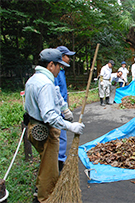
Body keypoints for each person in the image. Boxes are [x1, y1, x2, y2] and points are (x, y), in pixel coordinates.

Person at [24, 48, 85, 202]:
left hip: (33, 126)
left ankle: (38, 191)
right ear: (51, 65)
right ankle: (45, 199)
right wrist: (70, 126)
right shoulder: (45, 84)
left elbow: (56, 95)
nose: (61, 69)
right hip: (45, 130)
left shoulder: (34, 79)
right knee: (50, 170)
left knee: (45, 164)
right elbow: (49, 116)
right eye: (59, 66)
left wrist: (65, 109)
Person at [54, 45, 75, 172]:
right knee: (60, 137)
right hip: (57, 111)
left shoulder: (61, 71)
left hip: (62, 108)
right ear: (62, 56)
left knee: (62, 137)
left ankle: (60, 161)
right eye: (68, 56)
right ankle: (58, 165)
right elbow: (56, 93)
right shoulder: (55, 73)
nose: (69, 59)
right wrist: (64, 109)